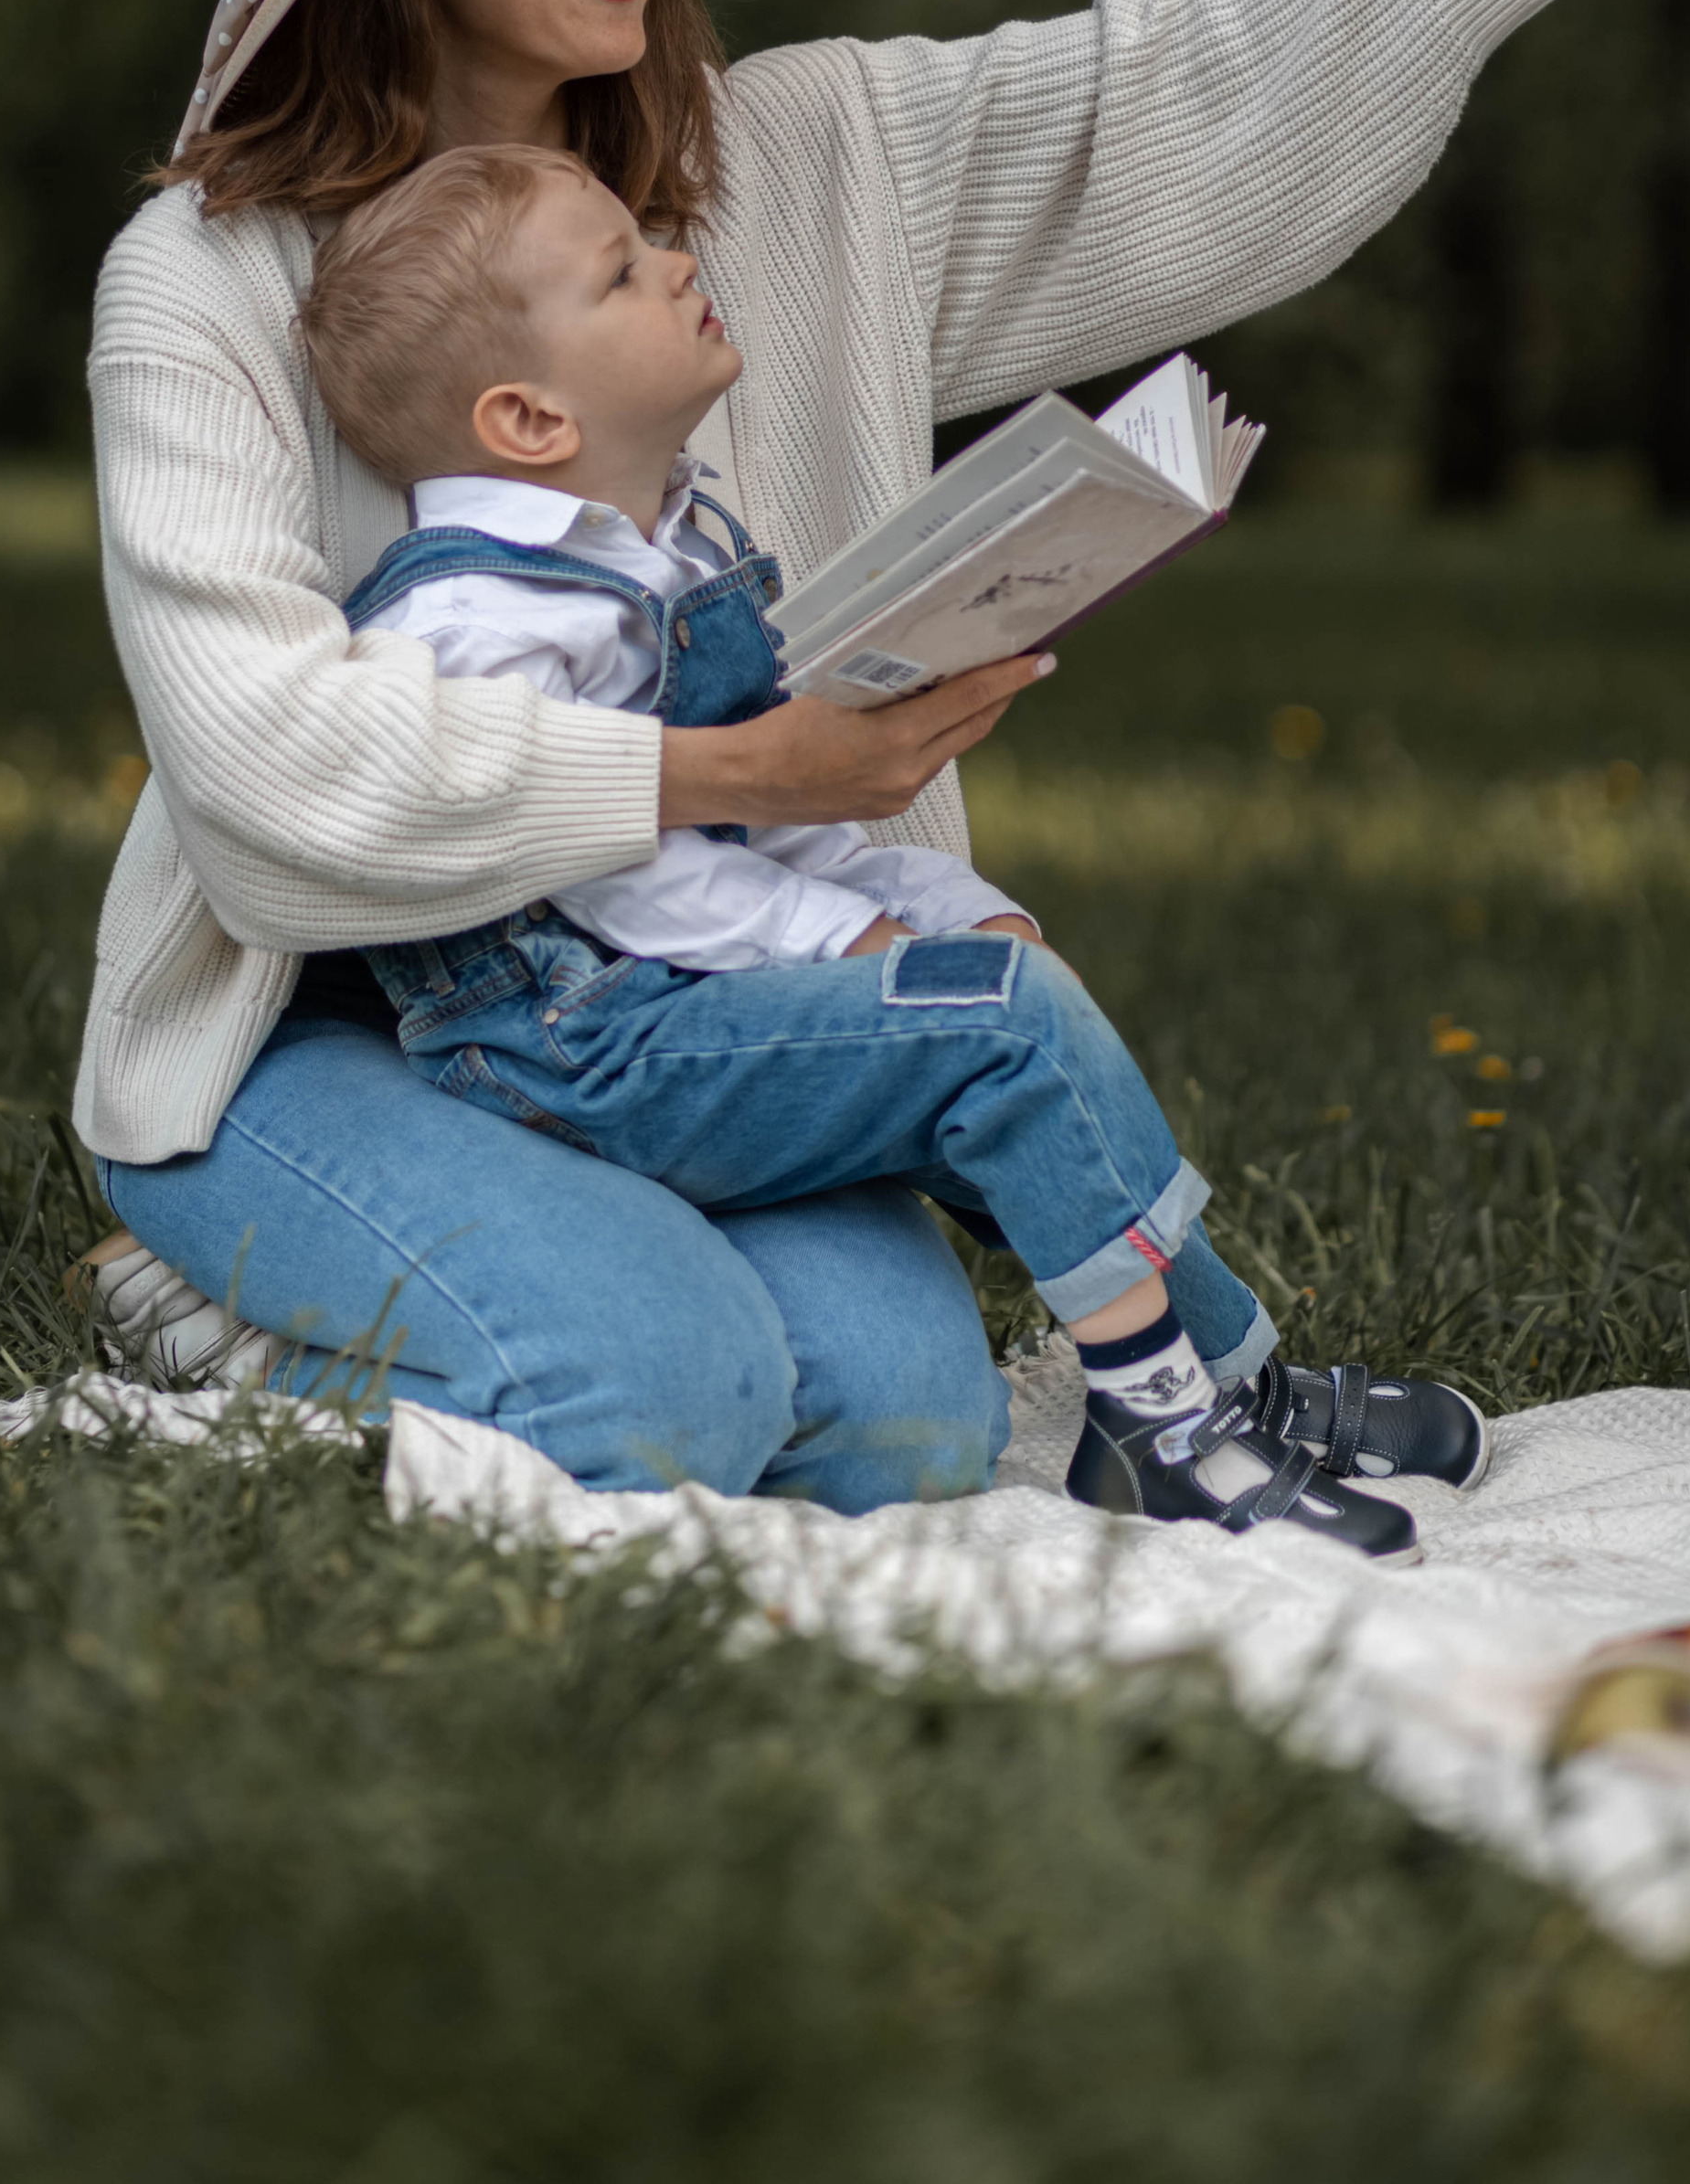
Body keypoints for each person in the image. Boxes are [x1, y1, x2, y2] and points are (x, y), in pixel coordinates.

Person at [77, 0, 1690, 1508]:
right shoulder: (204, 284)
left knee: (907, 1422)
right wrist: (747, 770)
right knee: (661, 1394)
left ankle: (528, 1269)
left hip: (679, 1005)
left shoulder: (783, 170)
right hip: (324, 1029)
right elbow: (258, 773)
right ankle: (237, 1306)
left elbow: (1144, 95)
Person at [294, 138, 1493, 1554]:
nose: (678, 262)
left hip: (669, 999)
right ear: (530, 418)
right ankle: (1164, 1429)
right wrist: (851, 944)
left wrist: (932, 900)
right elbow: (604, 856)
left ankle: (1228, 1386)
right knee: (1001, 1031)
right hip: (573, 1040)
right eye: (623, 270)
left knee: (994, 1003)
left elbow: (752, 812)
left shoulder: (661, 549)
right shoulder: (476, 622)